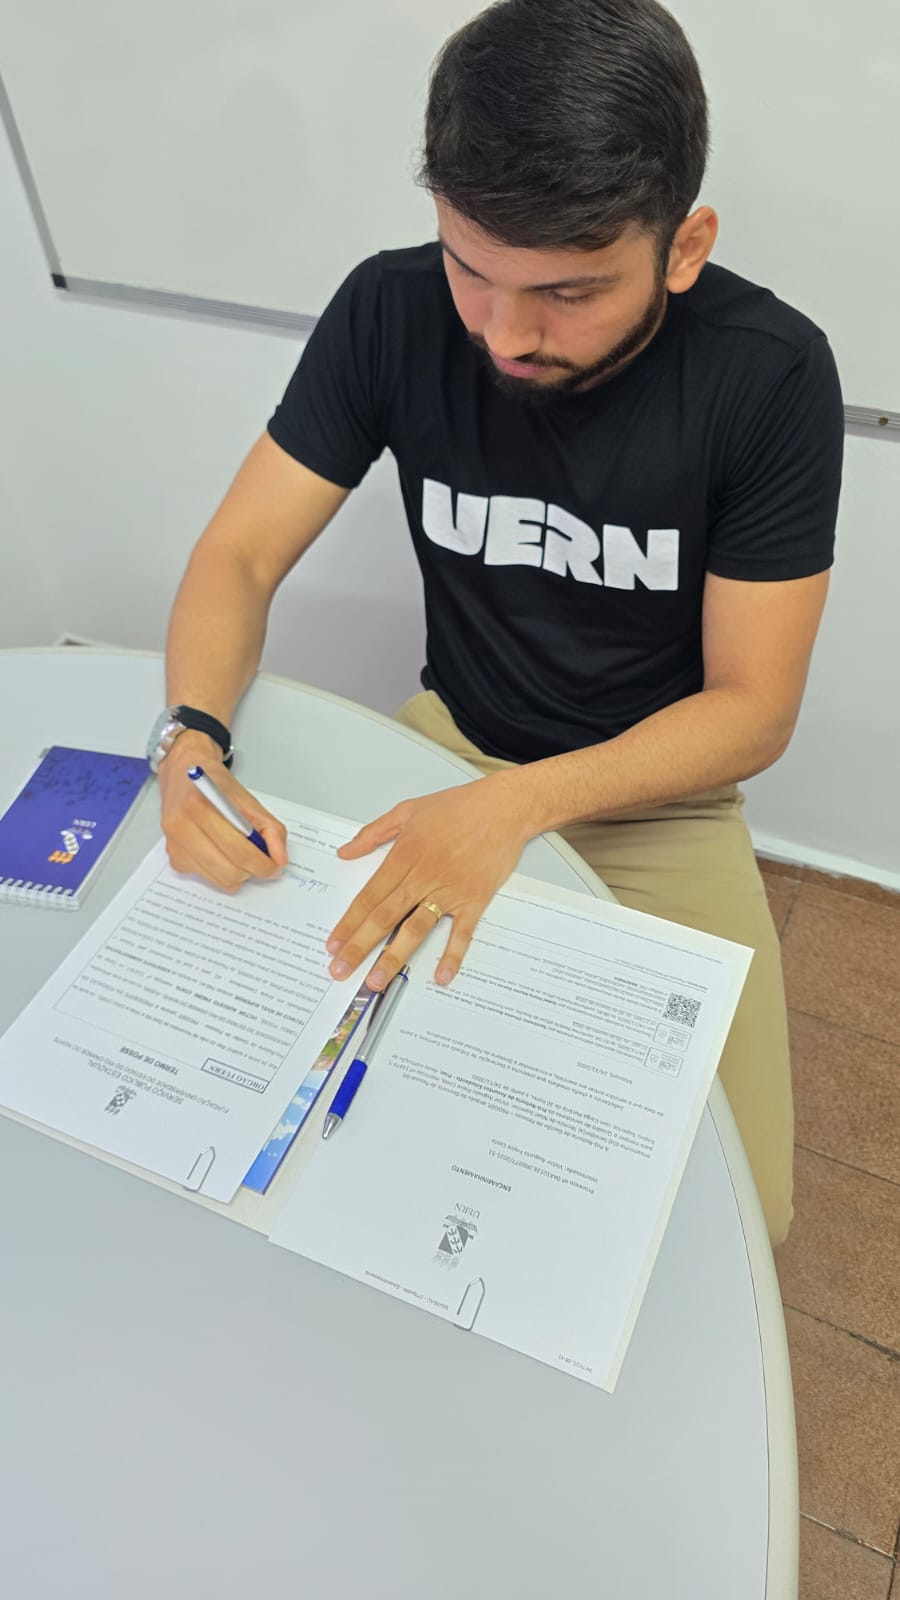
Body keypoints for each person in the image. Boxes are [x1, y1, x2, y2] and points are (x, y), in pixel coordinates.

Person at [149, 0, 844, 1247]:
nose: (507, 334)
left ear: (685, 247)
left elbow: (753, 709)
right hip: (446, 746)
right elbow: (240, 553)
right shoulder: (389, 308)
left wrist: (519, 807)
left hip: (656, 798)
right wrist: (189, 733)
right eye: (471, 269)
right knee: (305, 1124)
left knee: (740, 1220)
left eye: (569, 292)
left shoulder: (770, 373)